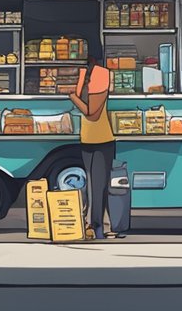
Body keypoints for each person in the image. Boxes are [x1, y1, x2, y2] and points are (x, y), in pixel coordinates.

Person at [69, 45, 114, 240]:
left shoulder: (101, 75)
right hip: (91, 138)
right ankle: (95, 226)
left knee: (98, 185)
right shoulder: (86, 77)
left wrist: (72, 97)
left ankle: (98, 227)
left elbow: (91, 113)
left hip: (101, 137)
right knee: (95, 185)